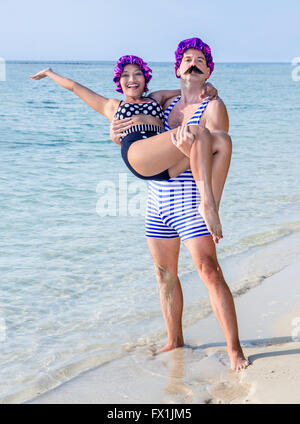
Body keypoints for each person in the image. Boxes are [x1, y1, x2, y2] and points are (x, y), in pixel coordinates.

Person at [111, 37, 250, 371]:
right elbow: (137, 127)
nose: (193, 62)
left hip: (191, 200)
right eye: (187, 58)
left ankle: (234, 351)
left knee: (208, 270)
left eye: (200, 59)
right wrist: (116, 131)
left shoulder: (213, 106)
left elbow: (216, 152)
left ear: (208, 71)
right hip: (158, 200)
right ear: (177, 70)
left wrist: (210, 200)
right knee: (164, 274)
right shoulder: (164, 106)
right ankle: (174, 340)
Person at [29, 55, 222, 242]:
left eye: (137, 73)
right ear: (118, 81)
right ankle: (207, 206)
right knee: (198, 132)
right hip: (137, 154)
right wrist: (49, 73)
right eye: (125, 75)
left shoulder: (157, 98)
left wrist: (209, 88)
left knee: (221, 143)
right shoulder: (113, 106)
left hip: (163, 170)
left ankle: (209, 205)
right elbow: (74, 87)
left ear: (145, 78)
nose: (132, 79)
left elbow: (189, 89)